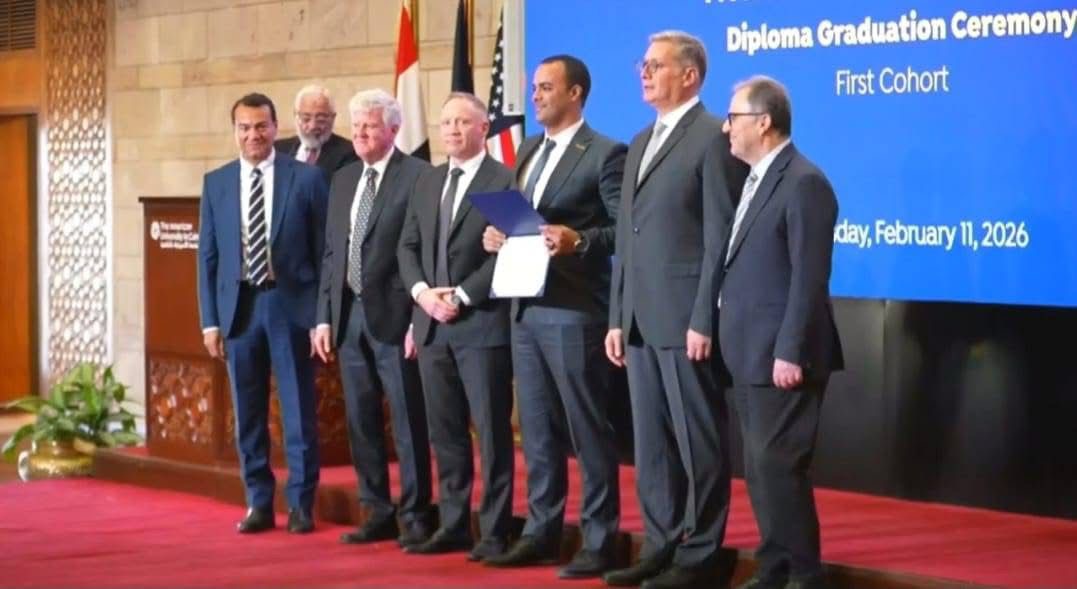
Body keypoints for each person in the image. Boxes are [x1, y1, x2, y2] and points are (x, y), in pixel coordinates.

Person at [603, 31, 749, 589]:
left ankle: (703, 553)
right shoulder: (640, 139)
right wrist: (617, 316)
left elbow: (719, 238)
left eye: (656, 65)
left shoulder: (713, 137)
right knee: (652, 445)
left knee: (698, 441)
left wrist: (703, 317)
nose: (643, 73)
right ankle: (660, 544)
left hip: (686, 318)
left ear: (689, 76)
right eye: (643, 64)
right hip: (639, 320)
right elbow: (628, 236)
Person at [480, 55, 626, 579]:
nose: (536, 96)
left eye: (546, 87)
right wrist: (497, 236)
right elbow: (524, 223)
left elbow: (623, 230)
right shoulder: (528, 149)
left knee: (587, 430)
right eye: (534, 87)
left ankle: (600, 539)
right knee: (537, 431)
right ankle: (542, 533)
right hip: (525, 306)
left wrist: (578, 239)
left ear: (575, 93)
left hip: (574, 309)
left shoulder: (606, 153)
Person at [720, 76, 844, 589]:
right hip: (748, 352)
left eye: (734, 117)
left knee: (780, 467)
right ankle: (774, 567)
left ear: (764, 122)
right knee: (760, 468)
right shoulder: (754, 179)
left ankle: (805, 575)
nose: (726, 127)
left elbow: (809, 278)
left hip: (782, 355)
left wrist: (789, 350)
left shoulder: (804, 182)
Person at [197, 92, 328, 535]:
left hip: (290, 308)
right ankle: (258, 502)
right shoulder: (216, 183)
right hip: (239, 310)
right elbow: (208, 257)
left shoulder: (307, 179)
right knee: (248, 413)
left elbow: (324, 253)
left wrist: (321, 316)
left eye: (261, 126)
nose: (253, 135)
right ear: (234, 131)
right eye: (244, 127)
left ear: (275, 128)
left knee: (298, 411)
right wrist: (210, 321)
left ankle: (301, 505)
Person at [312, 89, 434, 549]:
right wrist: (324, 317)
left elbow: (423, 252)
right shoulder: (344, 178)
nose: (360, 133)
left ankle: (416, 515)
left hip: (397, 318)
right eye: (357, 125)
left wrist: (417, 320)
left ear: (393, 129)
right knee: (361, 421)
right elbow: (332, 253)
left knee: (407, 421)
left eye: (370, 126)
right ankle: (376, 510)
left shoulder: (418, 176)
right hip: (348, 318)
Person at [396, 92, 516, 562]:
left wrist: (462, 295)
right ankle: (453, 524)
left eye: (462, 122)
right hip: (431, 325)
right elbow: (407, 247)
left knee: (491, 433)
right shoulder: (427, 180)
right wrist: (423, 294)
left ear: (483, 128)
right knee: (444, 432)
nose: (451, 130)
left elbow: (511, 250)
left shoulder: (504, 178)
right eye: (445, 122)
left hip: (480, 325)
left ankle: (495, 530)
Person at [275, 85, 358, 181]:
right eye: (306, 119)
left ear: (333, 118)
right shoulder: (278, 150)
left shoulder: (349, 153)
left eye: (320, 120)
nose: (313, 126)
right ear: (296, 116)